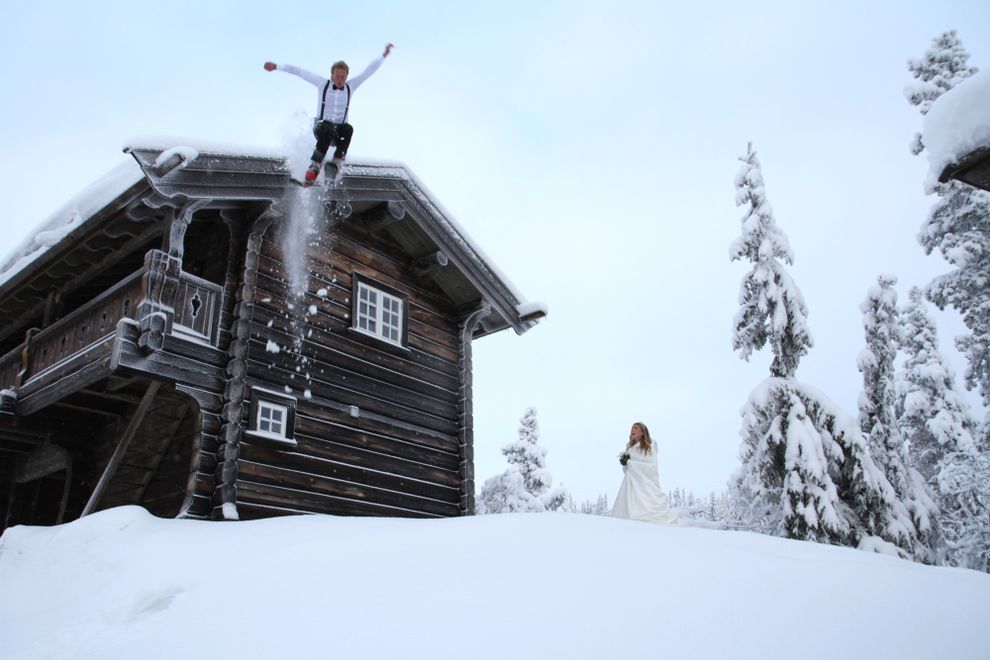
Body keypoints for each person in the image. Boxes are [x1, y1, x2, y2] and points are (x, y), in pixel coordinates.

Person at [264, 43, 394, 186]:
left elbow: (368, 72)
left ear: (346, 76)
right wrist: (277, 66)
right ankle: (314, 167)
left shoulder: (351, 87)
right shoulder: (322, 84)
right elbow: (300, 71)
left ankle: (335, 164)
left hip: (338, 133)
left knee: (348, 128)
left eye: (343, 77)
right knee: (327, 127)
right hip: (322, 128)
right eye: (337, 76)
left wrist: (383, 56)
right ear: (332, 75)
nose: (340, 80)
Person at [610, 422, 679, 524]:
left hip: (646, 483)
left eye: (635, 428)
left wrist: (629, 462)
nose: (632, 429)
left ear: (642, 432)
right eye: (632, 428)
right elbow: (627, 470)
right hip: (632, 483)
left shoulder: (650, 446)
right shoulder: (630, 449)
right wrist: (625, 463)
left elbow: (650, 465)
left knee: (648, 505)